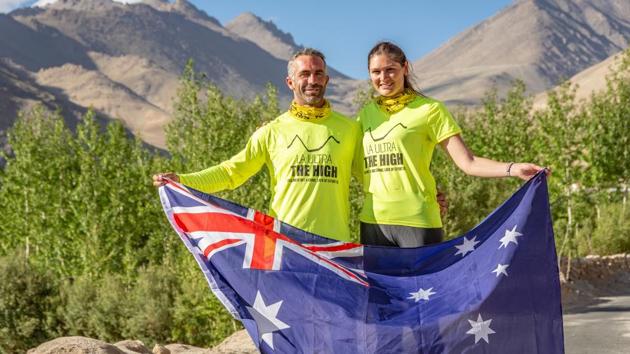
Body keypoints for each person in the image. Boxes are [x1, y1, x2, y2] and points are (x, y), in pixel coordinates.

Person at [153, 48, 361, 242]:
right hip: (287, 245)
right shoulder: (271, 131)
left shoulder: (350, 130)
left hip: (336, 247)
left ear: (326, 80)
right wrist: (182, 181)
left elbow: (373, 180)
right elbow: (231, 173)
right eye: (304, 74)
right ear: (290, 82)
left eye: (318, 73)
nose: (312, 80)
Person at [357, 41, 547, 247]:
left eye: (390, 70)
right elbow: (352, 165)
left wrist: (513, 168)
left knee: (423, 281)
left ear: (405, 68)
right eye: (376, 72)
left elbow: (469, 162)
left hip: (417, 221)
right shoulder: (365, 115)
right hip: (372, 222)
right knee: (377, 282)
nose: (383, 78)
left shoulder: (430, 110)